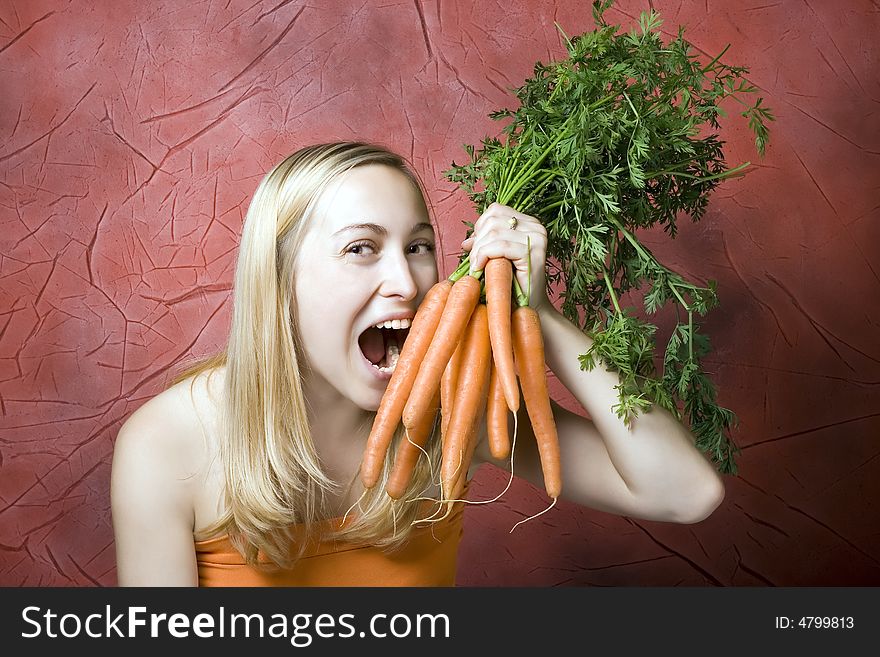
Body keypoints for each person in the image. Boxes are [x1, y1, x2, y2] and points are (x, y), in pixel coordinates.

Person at [110, 141, 725, 586]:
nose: (406, 280)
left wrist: (540, 316)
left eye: (419, 247)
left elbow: (685, 492)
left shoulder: (457, 406)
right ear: (279, 283)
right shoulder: (168, 445)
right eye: (361, 248)